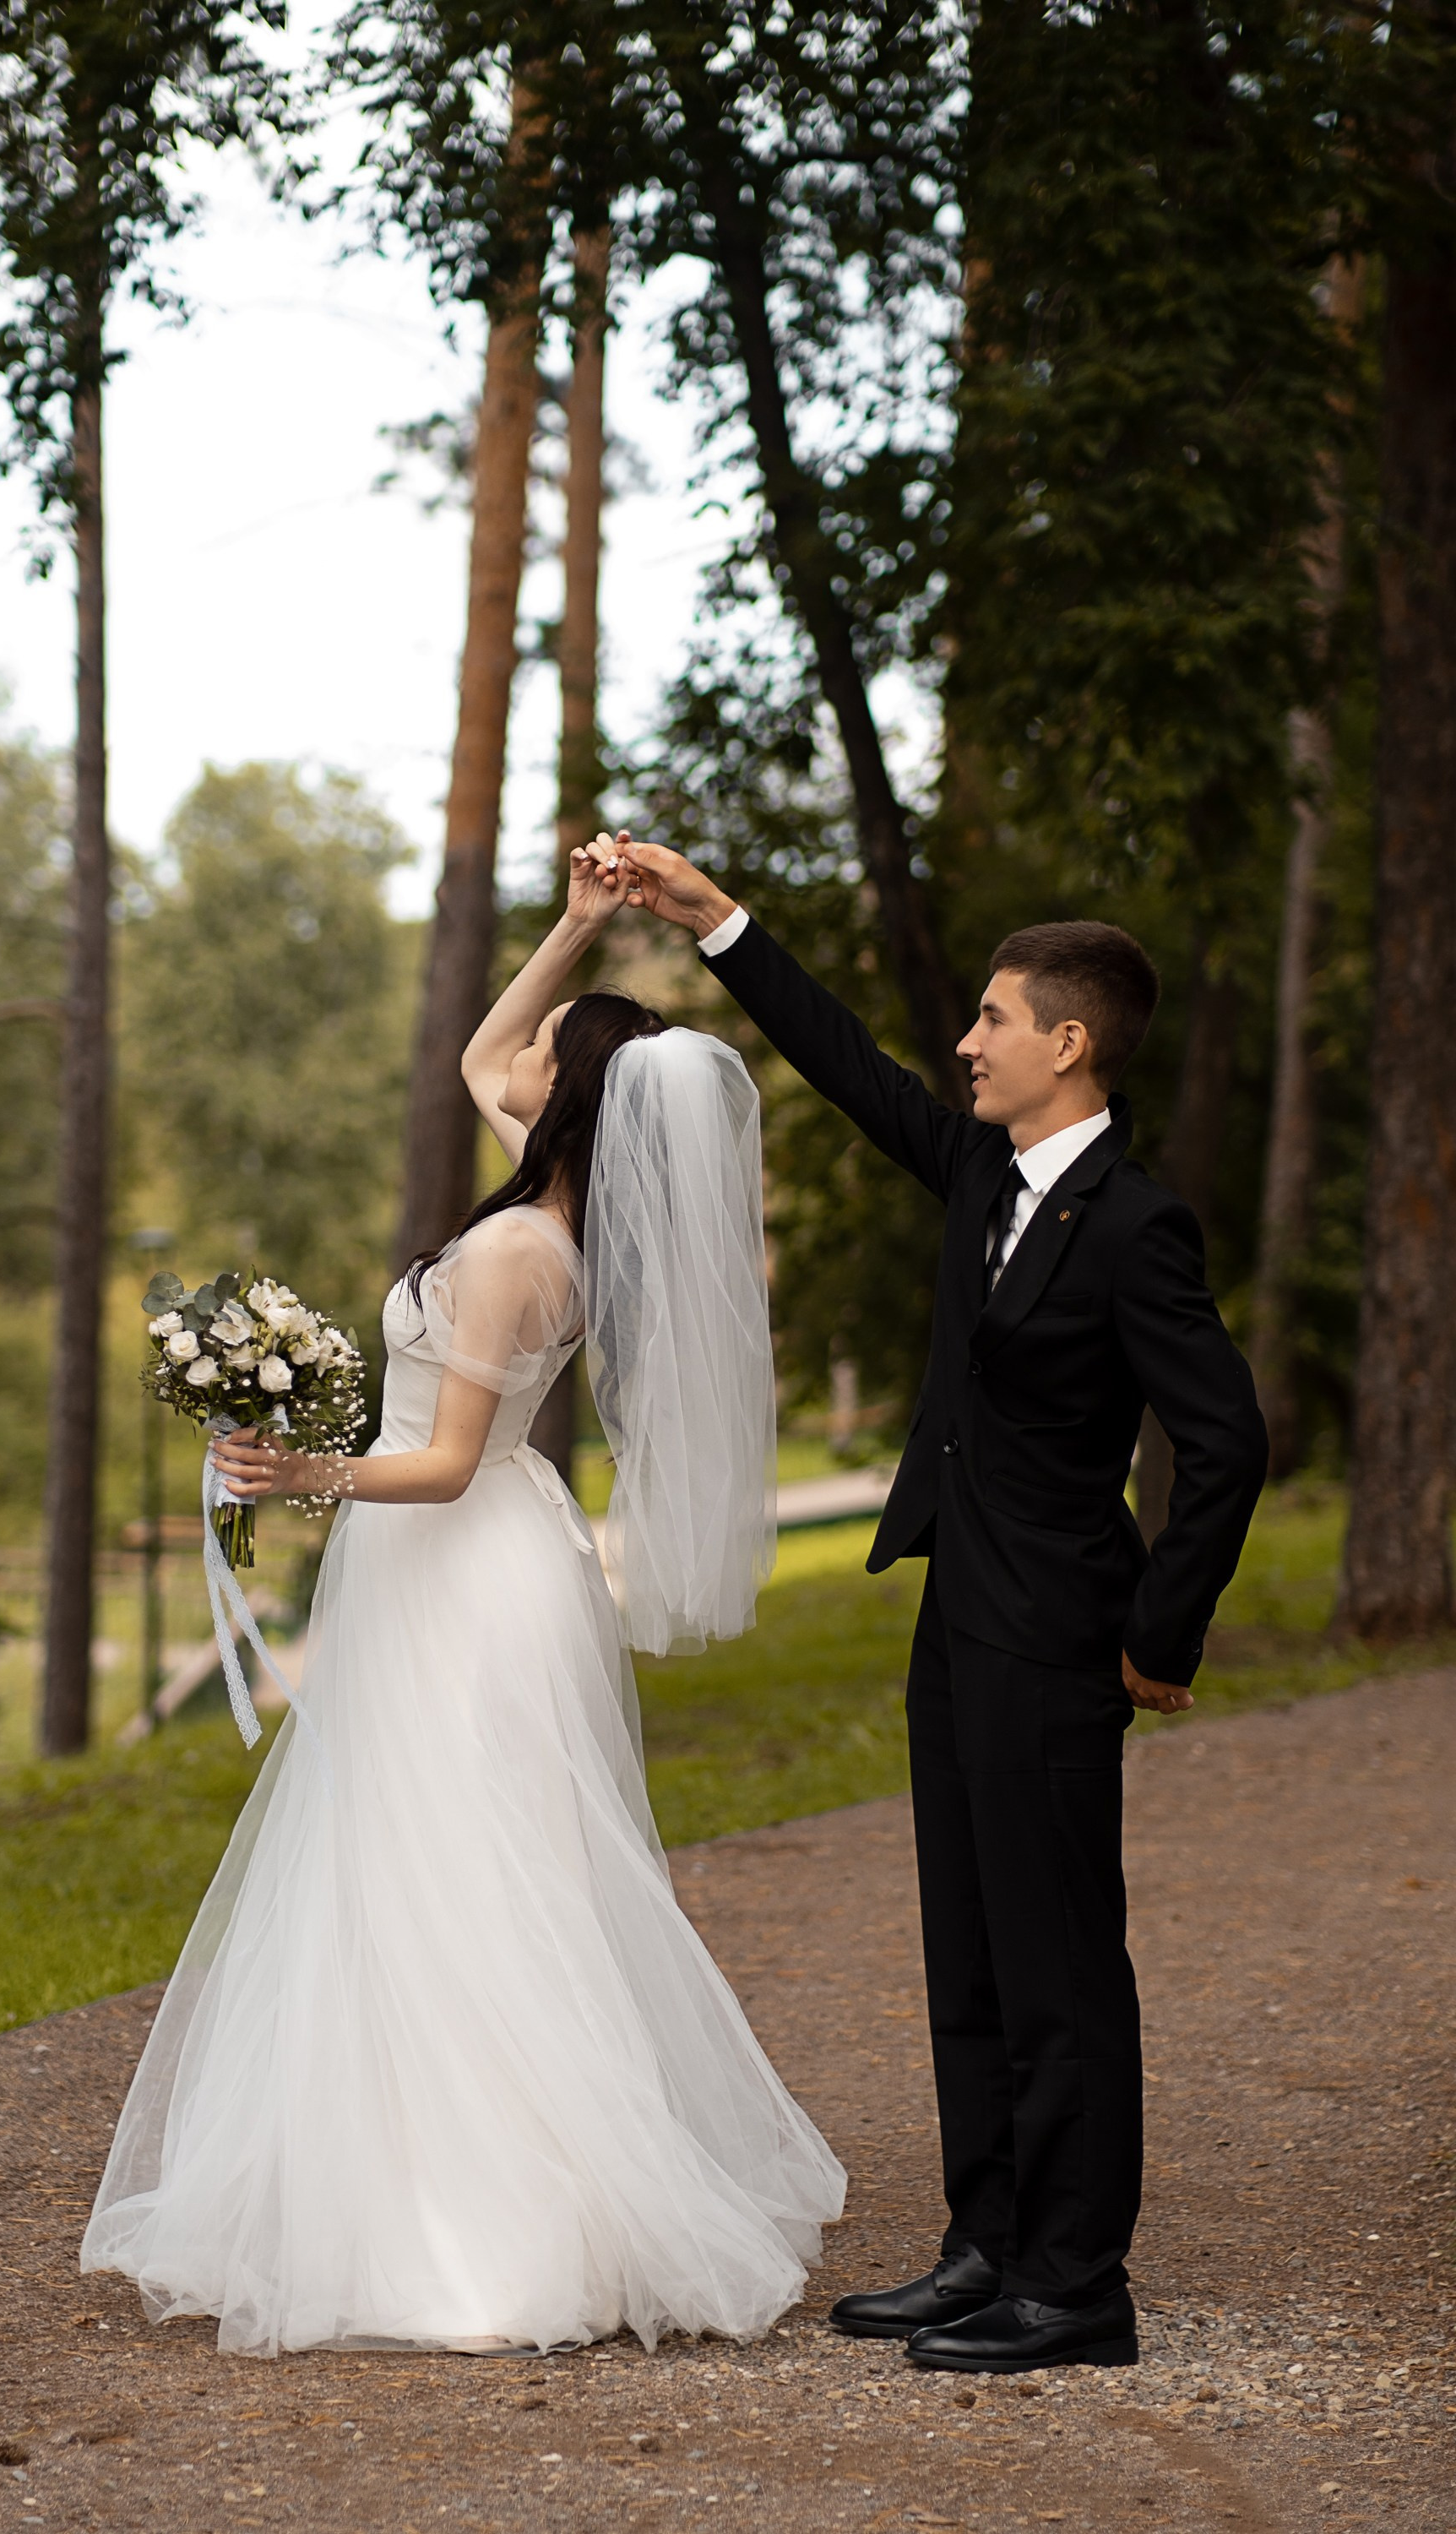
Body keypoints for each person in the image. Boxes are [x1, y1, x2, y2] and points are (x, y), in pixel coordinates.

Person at [80, 845, 844, 2358]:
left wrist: (304, 1474)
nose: (527, 1058)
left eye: (554, 1051)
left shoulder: (510, 1253)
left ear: (572, 1102)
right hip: (479, 1559)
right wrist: (577, 926)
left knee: (461, 1867)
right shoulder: (574, 1219)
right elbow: (479, 1057)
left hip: (463, 1561)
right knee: (443, 1857)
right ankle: (421, 2174)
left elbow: (439, 1464)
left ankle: (490, 2220)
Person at [616, 835, 1269, 2377]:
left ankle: (1077, 2286)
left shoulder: (1137, 1225)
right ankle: (988, 2247)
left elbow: (1228, 1440)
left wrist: (1159, 1635)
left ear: (1070, 1042)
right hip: (956, 1615)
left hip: (1058, 1630)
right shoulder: (982, 1166)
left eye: (992, 1018)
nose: (966, 1042)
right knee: (969, 1952)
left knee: (1060, 1963)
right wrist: (716, 922)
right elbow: (850, 1066)